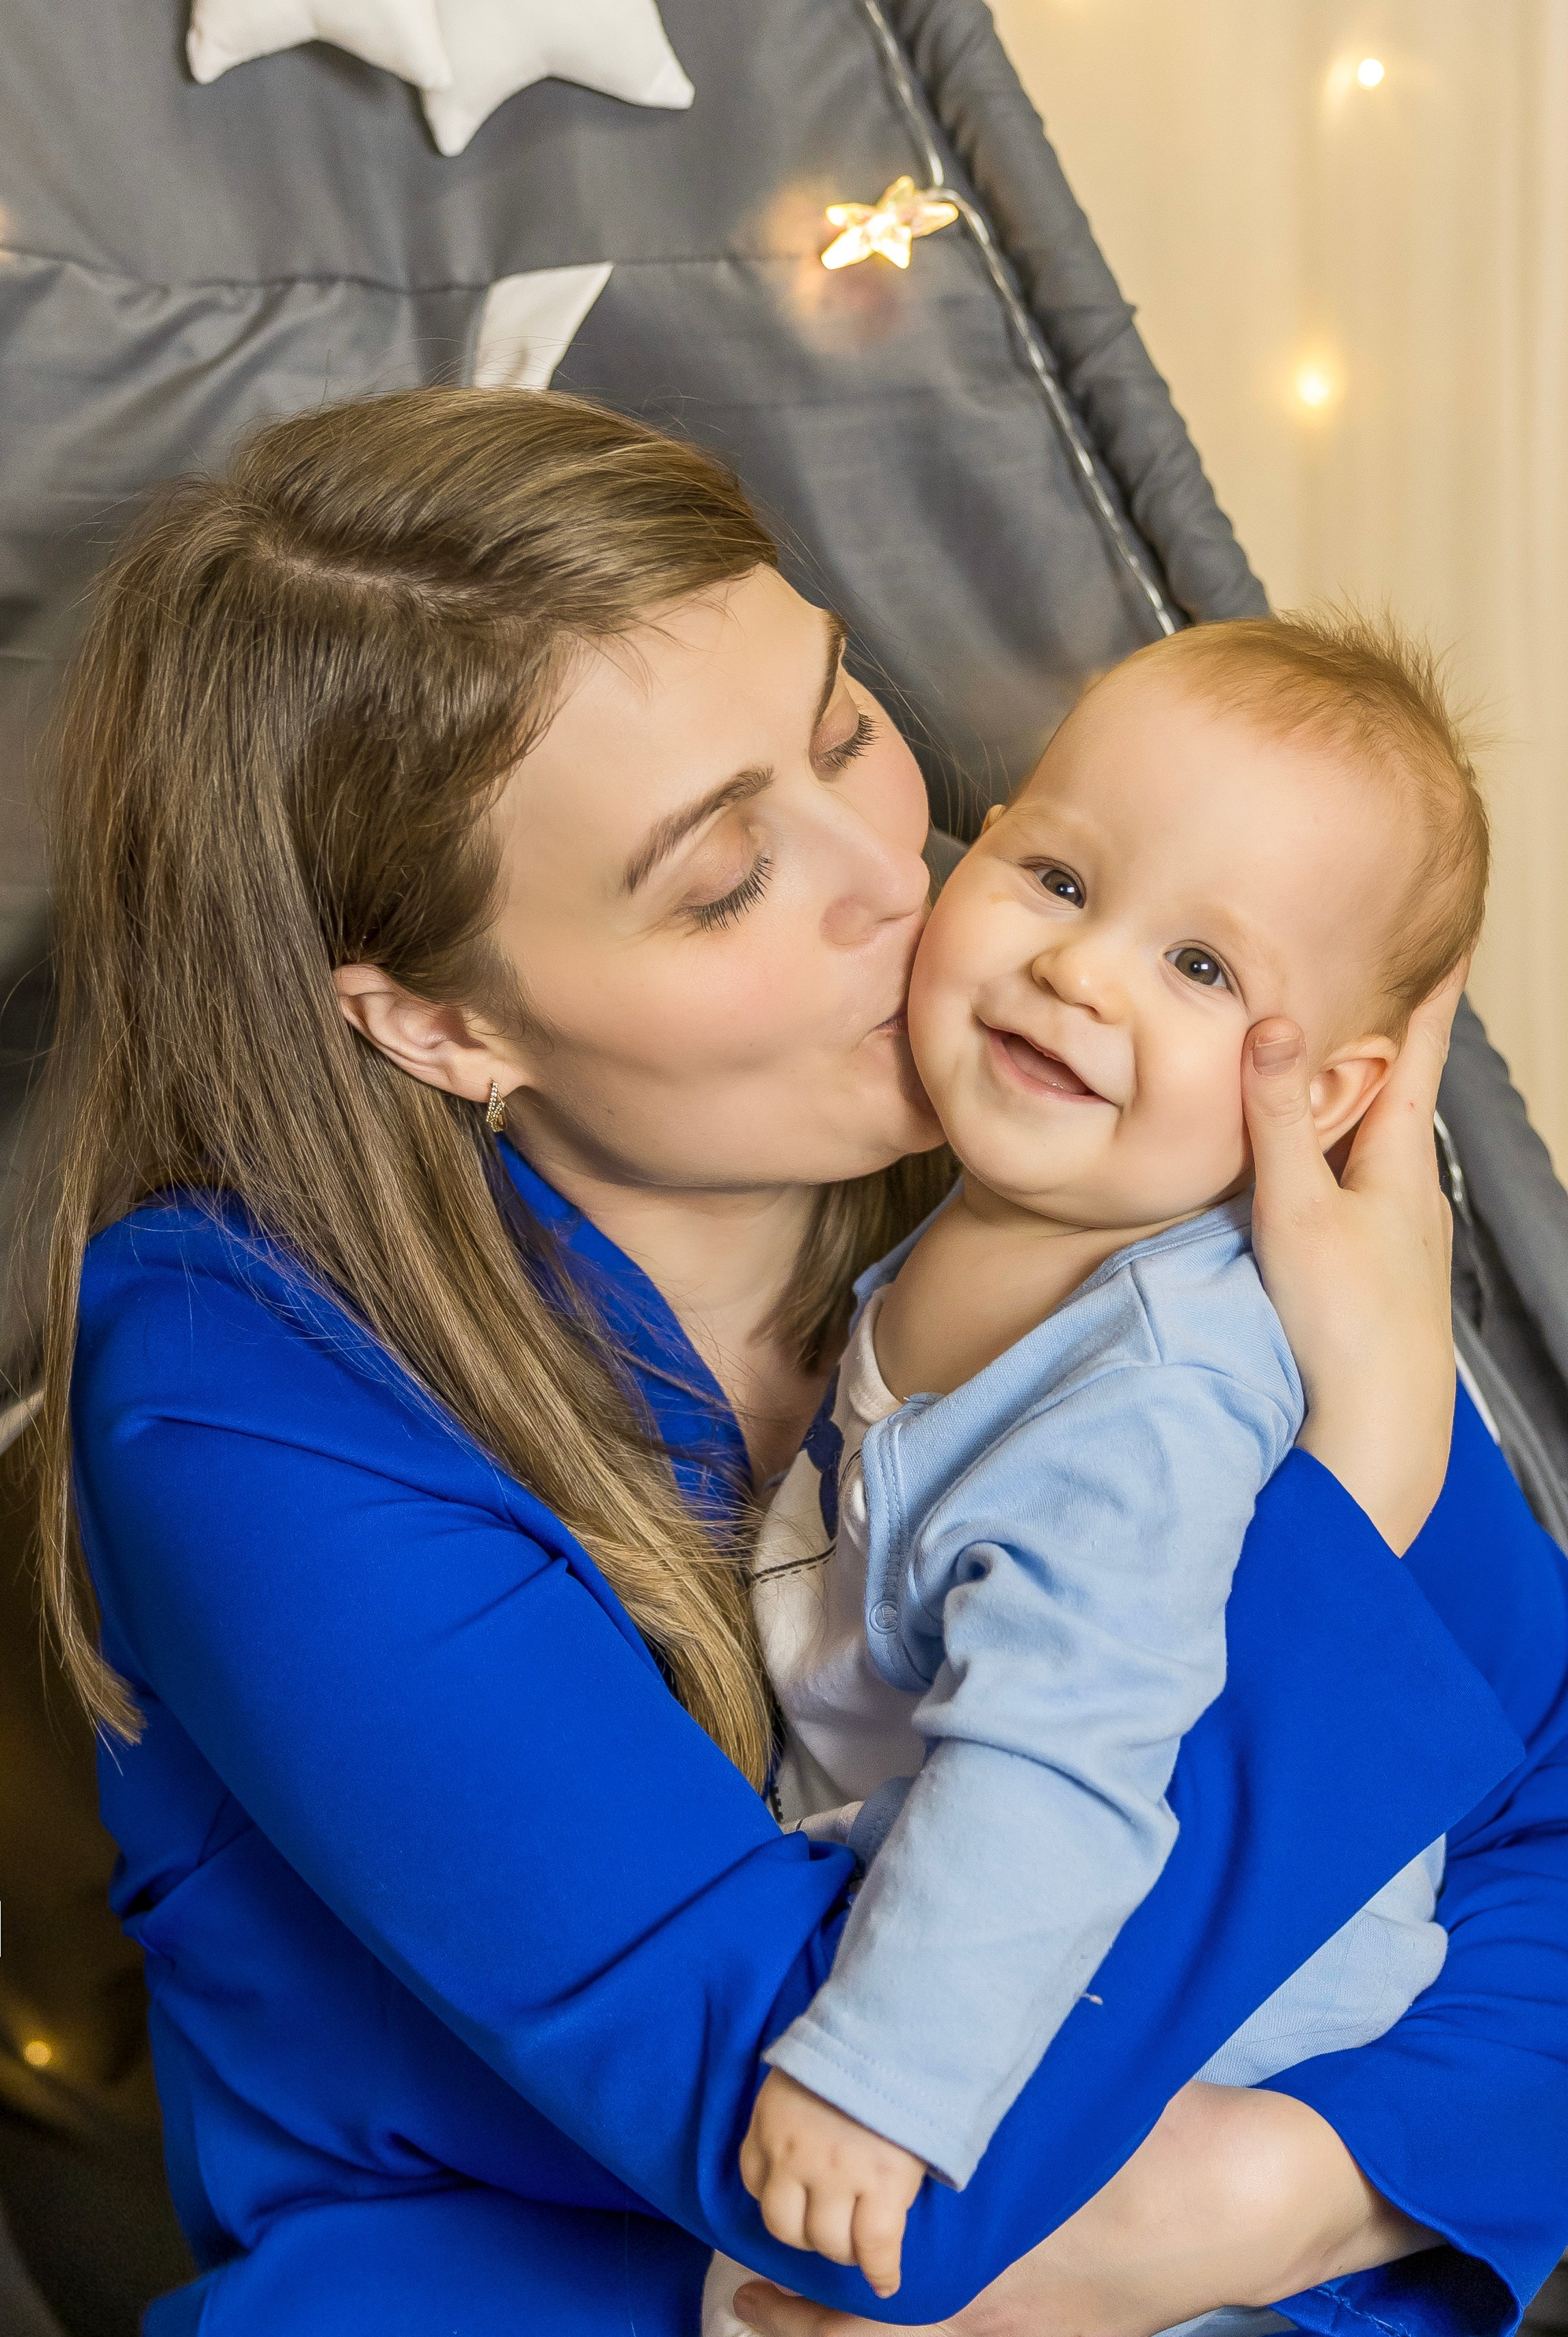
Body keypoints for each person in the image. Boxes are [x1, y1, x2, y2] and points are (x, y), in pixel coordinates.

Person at [26, 388, 1568, 2337]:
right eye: (721, 877)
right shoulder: (233, 1379)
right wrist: (1356, 1480)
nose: (892, 870)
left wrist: (1279, 2191)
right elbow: (875, 2159)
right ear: (433, 1020)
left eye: (843, 720)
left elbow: (1545, 1818)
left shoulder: (1089, 1170)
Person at [725, 612, 1487, 2314]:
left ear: (1330, 1098)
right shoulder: (998, 1222)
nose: (1082, 972)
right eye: (1060, 879)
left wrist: (881, 2076)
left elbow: (1060, 1762)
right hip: (1045, 1933)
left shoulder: (1153, 1397)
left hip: (1174, 2022)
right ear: (977, 841)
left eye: (1203, 971)